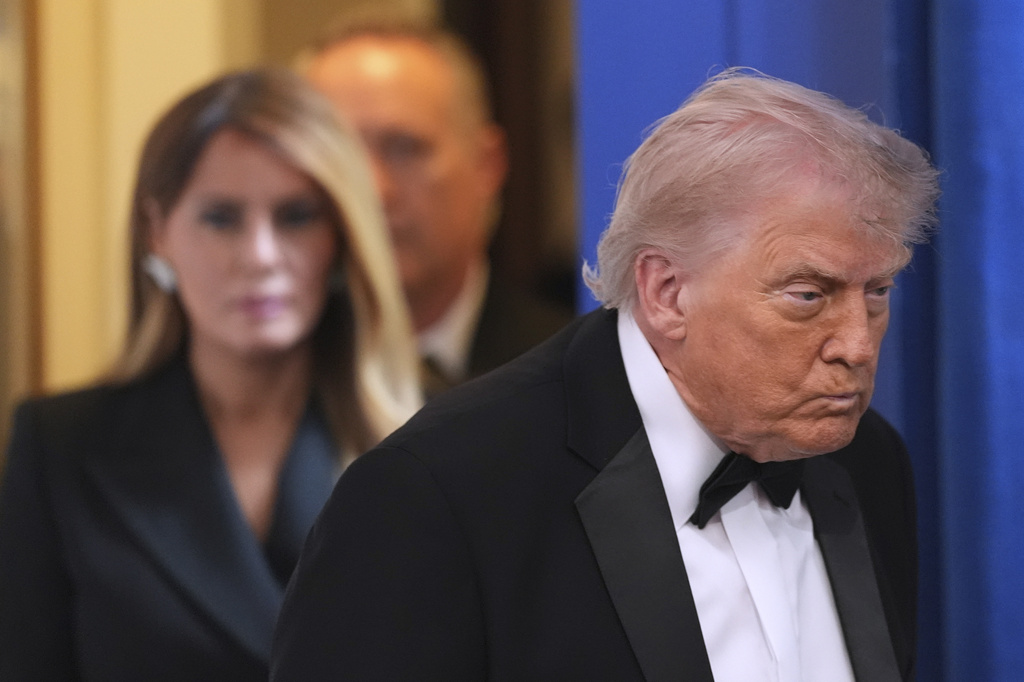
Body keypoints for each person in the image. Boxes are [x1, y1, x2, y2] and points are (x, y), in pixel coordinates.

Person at [271, 68, 941, 681]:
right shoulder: (434, 497)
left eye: (877, 292)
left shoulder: (867, 461)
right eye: (809, 296)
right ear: (667, 293)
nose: (858, 345)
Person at [0, 68, 420, 681]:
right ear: (157, 233)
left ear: (342, 236)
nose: (260, 256)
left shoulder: (433, 441)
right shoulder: (61, 446)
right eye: (221, 218)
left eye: (296, 216)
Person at [303, 17, 573, 395]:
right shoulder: (264, 382)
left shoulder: (576, 372)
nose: (375, 191)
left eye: (404, 148)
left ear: (486, 164)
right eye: (340, 157)